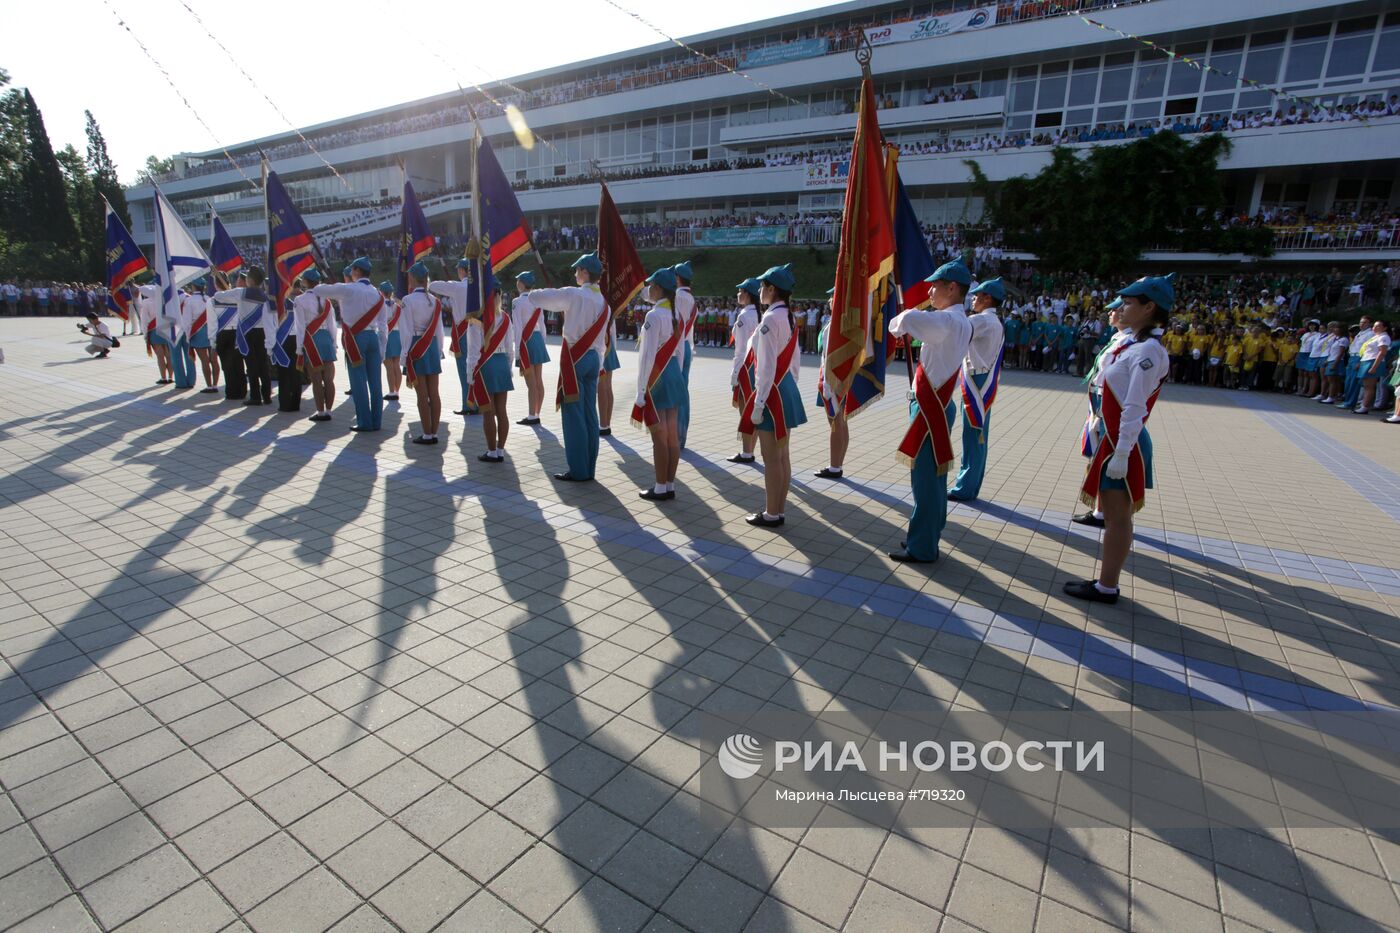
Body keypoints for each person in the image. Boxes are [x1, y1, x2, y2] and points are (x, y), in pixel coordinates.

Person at [1064, 274, 1172, 604]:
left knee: (1117, 518)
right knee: (1113, 517)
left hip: (1125, 443)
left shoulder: (1148, 351)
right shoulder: (1136, 346)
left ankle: (1106, 586)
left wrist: (1122, 452)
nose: (1121, 308)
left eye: (1128, 303)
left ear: (1149, 307)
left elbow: (1135, 406)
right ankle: (1106, 583)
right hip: (1116, 440)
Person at [887, 259, 973, 563]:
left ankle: (922, 546)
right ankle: (927, 533)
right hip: (937, 404)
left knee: (924, 479)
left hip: (929, 407)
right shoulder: (960, 321)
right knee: (933, 477)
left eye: (936, 285)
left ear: (953, 288)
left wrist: (900, 323)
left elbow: (903, 320)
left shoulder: (947, 321)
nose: (930, 290)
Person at [525, 252, 608, 481]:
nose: (575, 274)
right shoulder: (604, 302)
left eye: (577, 270)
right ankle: (589, 467)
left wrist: (531, 293)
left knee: (573, 415)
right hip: (593, 359)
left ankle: (578, 470)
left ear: (584, 272)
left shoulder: (574, 294)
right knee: (590, 414)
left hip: (575, 358)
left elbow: (539, 298)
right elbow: (602, 342)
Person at [737, 264, 807, 528]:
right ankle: (778, 509)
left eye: (763, 286)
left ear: (772, 289)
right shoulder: (788, 315)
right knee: (783, 455)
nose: (759, 290)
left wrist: (759, 403)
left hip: (772, 392)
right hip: (785, 386)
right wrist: (790, 384)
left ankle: (771, 513)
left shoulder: (769, 319)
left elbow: (764, 368)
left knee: (771, 458)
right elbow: (795, 358)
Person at [312, 257, 387, 431]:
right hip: (373, 337)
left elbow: (317, 289)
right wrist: (382, 347)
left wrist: (336, 285)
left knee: (358, 381)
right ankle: (377, 421)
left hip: (355, 339)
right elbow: (383, 325)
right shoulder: (377, 293)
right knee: (376, 383)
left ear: (357, 271)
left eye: (352, 270)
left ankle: (364, 422)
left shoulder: (348, 289)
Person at [948, 277, 1006, 502]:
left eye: (976, 296)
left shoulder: (982, 321)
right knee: (977, 434)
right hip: (980, 377)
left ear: (987, 298)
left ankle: (965, 487)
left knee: (973, 434)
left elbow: (956, 329)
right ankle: (970, 485)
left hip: (977, 379)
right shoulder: (993, 321)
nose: (972, 299)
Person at [631, 266, 686, 501]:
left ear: (659, 288)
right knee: (672, 434)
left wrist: (641, 391)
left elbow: (647, 357)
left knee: (659, 436)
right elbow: (681, 352)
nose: (648, 289)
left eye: (651, 285)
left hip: (657, 375)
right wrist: (678, 377)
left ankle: (660, 486)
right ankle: (670, 483)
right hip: (674, 373)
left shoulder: (653, 316)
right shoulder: (676, 314)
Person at [464, 284, 517, 461]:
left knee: (488, 411)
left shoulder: (476, 319)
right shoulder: (506, 318)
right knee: (502, 411)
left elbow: (472, 352)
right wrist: (508, 368)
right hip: (501, 362)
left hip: (485, 365)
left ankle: (492, 451)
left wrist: (470, 375)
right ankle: (501, 450)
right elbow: (511, 348)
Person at [213, 267, 275, 406]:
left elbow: (218, 296)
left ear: (250, 280)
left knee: (251, 365)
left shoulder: (241, 292)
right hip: (262, 333)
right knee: (263, 365)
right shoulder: (266, 296)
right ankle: (267, 395)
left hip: (247, 333)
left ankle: (255, 397)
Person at [399, 262, 444, 443]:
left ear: (411, 278)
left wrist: (405, 355)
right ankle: (434, 432)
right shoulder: (435, 301)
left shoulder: (407, 300)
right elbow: (440, 330)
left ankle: (426, 434)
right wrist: (438, 350)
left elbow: (407, 330)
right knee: (434, 393)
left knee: (422, 395)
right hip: (431, 345)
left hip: (416, 345)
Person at [430, 259, 480, 418]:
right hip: (479, 330)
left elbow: (432, 286)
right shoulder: (478, 287)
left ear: (463, 271)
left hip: (463, 332)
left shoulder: (457, 286)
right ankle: (479, 401)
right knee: (477, 367)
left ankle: (468, 404)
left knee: (464, 370)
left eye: (459, 269)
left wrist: (450, 283)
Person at [292, 269, 338, 422]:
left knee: (316, 379)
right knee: (329, 379)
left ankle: (320, 412)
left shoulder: (299, 300)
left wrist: (299, 348)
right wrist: (334, 343)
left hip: (311, 339)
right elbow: (332, 324)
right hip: (326, 338)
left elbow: (299, 327)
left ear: (305, 282)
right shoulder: (327, 301)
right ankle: (330, 410)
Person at [813, 287, 848, 480]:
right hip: (837, 379)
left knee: (836, 423)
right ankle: (838, 462)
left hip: (833, 380)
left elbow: (831, 357)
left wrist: (828, 385)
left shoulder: (838, 323)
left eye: (833, 297)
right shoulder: (843, 321)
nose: (829, 300)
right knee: (841, 422)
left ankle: (835, 466)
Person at [727, 278, 762, 464]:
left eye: (740, 291)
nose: (738, 294)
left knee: (745, 409)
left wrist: (734, 374)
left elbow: (740, 350)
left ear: (748, 294)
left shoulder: (743, 316)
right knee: (753, 408)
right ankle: (750, 450)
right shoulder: (760, 314)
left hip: (745, 367)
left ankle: (746, 453)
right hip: (757, 365)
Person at [511, 271, 549, 425]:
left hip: (526, 341)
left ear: (520, 284)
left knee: (531, 383)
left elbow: (517, 327)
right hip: (538, 338)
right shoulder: (537, 301)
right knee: (539, 380)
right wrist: (542, 343)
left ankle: (532, 415)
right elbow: (543, 324)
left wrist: (518, 350)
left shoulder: (516, 302)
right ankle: (537, 412)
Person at [673, 261, 697, 449]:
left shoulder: (677, 297)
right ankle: (682, 435)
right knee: (684, 391)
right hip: (687, 346)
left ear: (677, 278)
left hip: (676, 348)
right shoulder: (691, 299)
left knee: (676, 393)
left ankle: (676, 436)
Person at [213, 272, 248, 401]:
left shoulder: (213, 299)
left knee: (227, 365)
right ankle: (242, 391)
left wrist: (212, 340)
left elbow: (212, 322)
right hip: (237, 333)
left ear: (215, 284)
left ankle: (232, 392)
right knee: (238, 363)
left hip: (223, 333)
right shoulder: (237, 296)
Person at [181, 279, 220, 393]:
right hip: (212, 330)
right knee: (214, 360)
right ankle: (215, 385)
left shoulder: (189, 301)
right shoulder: (209, 299)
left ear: (193, 286)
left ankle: (209, 386)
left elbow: (187, 321)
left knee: (204, 360)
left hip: (198, 332)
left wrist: (188, 336)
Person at [273, 285, 304, 413]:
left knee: (285, 373)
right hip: (298, 338)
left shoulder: (278, 301)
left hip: (284, 340)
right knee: (295, 373)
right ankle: (295, 404)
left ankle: (286, 404)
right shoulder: (302, 299)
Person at [597, 288, 621, 437]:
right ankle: (606, 424)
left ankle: (603, 424)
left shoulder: (594, 302)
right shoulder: (608, 305)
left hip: (600, 345)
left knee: (602, 388)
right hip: (609, 345)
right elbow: (613, 328)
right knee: (607, 387)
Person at [138, 282, 172, 385]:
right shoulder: (164, 299)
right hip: (166, 328)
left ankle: (163, 377)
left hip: (154, 330)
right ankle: (171, 376)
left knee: (160, 356)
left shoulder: (146, 302)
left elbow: (144, 320)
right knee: (169, 355)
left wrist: (145, 334)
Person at [1355, 320, 1392, 415]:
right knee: (1366, 385)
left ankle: (1365, 407)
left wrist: (1374, 367)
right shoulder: (1375, 337)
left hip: (1373, 361)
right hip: (1366, 360)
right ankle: (1364, 404)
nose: (1374, 328)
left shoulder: (1384, 337)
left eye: (1378, 326)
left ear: (1385, 328)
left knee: (1369, 386)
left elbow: (1382, 352)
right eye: (1374, 326)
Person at [380, 281, 403, 403]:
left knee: (388, 366)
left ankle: (391, 391)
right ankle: (396, 391)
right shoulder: (397, 306)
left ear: (381, 292)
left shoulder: (380, 305)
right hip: (396, 335)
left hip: (386, 335)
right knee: (396, 365)